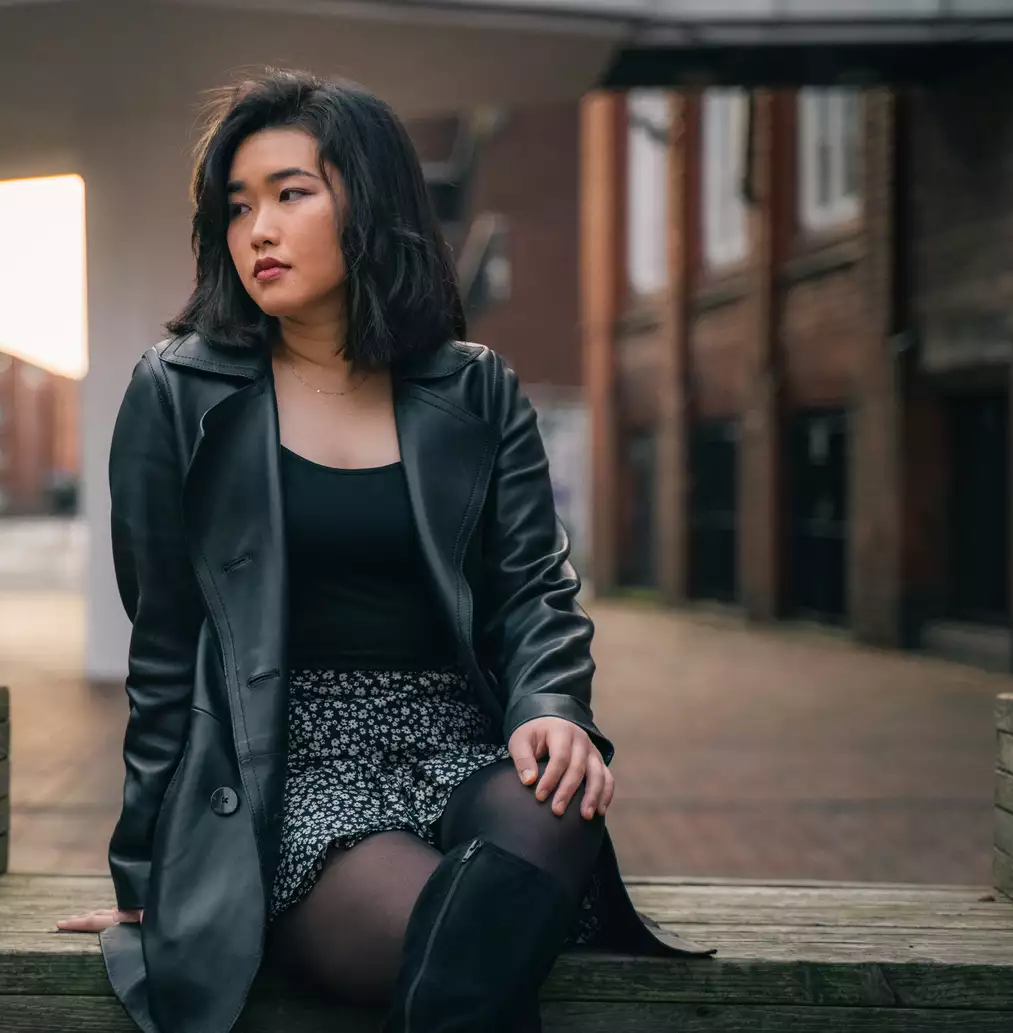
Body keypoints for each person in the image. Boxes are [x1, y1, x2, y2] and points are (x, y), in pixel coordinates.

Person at [58, 69, 714, 1033]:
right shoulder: (177, 394)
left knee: (561, 803)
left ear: (370, 201)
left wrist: (551, 709)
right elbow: (163, 642)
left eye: (292, 192)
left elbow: (533, 586)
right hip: (286, 764)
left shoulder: (474, 388)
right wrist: (149, 869)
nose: (258, 231)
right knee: (453, 945)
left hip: (460, 738)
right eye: (238, 207)